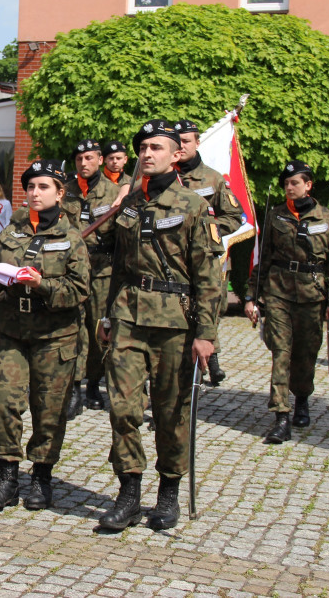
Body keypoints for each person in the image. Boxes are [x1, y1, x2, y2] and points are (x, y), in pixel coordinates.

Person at [97, 119, 222, 531]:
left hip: (174, 322)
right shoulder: (130, 203)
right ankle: (129, 492)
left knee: (171, 411)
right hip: (129, 317)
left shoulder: (194, 206)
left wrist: (206, 334)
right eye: (143, 147)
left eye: (157, 147)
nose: (147, 153)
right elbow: (117, 264)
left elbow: (208, 277)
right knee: (123, 408)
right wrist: (107, 315)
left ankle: (168, 492)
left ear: (176, 154)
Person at [0, 160, 89, 510]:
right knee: (2, 400)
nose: (35, 193)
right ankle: (7, 478)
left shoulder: (71, 237)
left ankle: (41, 475)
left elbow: (79, 290)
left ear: (60, 193)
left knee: (48, 408)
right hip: (11, 329)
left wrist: (42, 284)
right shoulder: (12, 232)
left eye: (44, 187)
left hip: (54, 335)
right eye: (31, 187)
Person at [244, 160, 329, 444]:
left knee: (305, 353)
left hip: (312, 294)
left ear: (308, 185)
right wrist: (252, 295)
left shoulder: (323, 217)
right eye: (286, 184)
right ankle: (281, 416)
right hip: (278, 291)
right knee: (281, 351)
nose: (289, 188)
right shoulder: (276, 215)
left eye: (295, 183)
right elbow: (263, 257)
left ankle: (302, 397)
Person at [174, 119, 244, 386]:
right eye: (177, 142)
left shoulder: (212, 178)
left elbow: (234, 217)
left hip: (202, 261)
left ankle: (202, 368)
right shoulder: (163, 178)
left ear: (197, 143)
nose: (181, 146)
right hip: (171, 264)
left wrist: (205, 231)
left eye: (187, 141)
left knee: (205, 313)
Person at [63, 139, 120, 414]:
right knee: (74, 327)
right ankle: (74, 387)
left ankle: (94, 383)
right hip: (72, 271)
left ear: (99, 159)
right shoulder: (66, 192)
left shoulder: (115, 194)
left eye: (88, 158)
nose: (83, 163)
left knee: (99, 330)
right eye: (78, 159)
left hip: (102, 272)